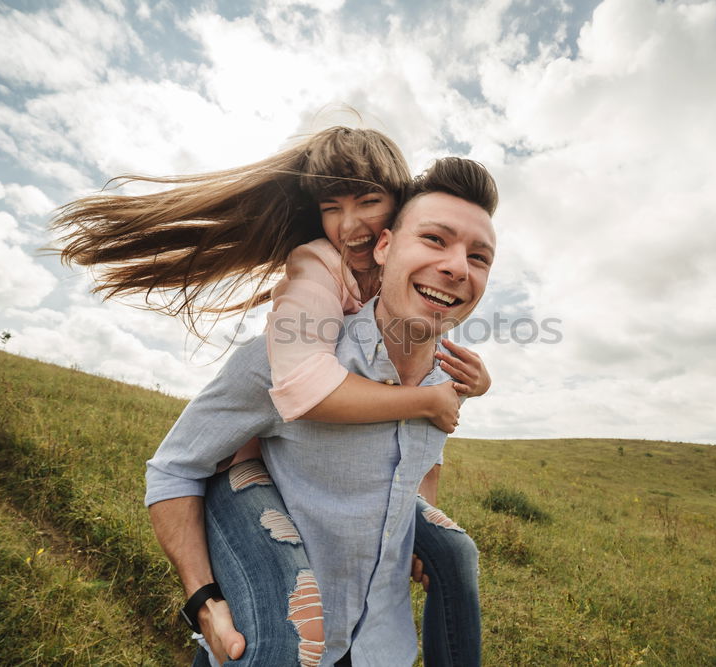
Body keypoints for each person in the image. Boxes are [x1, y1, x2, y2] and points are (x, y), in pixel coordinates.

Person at [53, 129, 489, 664]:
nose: (456, 267)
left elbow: (424, 459)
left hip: (382, 644)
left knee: (455, 551)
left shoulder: (446, 376)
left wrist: (415, 533)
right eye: (436, 239)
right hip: (276, 630)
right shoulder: (298, 326)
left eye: (478, 256)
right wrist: (204, 600)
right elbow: (175, 467)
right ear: (388, 243)